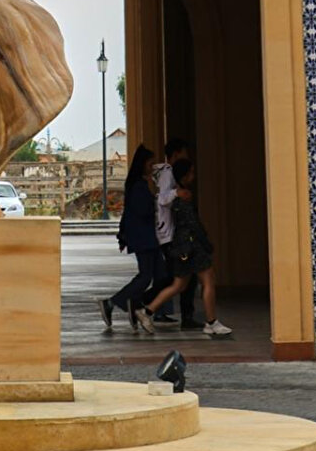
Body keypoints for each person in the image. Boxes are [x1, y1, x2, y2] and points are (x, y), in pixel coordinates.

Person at [137, 159, 233, 336]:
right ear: (184, 176)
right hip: (191, 245)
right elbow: (192, 223)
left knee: (179, 285)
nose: (193, 176)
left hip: (180, 246)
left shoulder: (175, 195)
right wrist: (205, 242)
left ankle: (147, 311)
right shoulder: (183, 196)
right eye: (191, 173)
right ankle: (212, 322)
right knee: (209, 280)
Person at [97, 144, 162, 334]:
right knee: (146, 276)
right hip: (144, 237)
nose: (152, 167)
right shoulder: (138, 186)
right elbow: (141, 211)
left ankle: (135, 304)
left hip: (146, 236)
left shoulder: (139, 184)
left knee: (160, 276)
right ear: (143, 164)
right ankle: (115, 302)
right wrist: (157, 201)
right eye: (150, 163)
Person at [144, 138, 201, 327]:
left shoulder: (166, 173)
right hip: (169, 234)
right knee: (177, 278)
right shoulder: (168, 174)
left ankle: (148, 305)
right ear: (176, 154)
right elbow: (162, 199)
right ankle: (143, 303)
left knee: (180, 278)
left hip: (169, 233)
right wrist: (178, 194)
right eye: (184, 153)